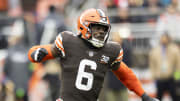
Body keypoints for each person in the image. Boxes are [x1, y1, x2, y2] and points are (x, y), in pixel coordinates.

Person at [28, 8, 159, 101]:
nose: (101, 32)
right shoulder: (69, 41)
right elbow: (45, 50)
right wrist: (35, 53)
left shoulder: (111, 50)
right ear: (84, 27)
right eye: (97, 28)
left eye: (104, 29)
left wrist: (144, 95)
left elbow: (126, 75)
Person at [149, 33, 180, 101]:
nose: (164, 40)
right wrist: (154, 76)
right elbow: (152, 65)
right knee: (158, 97)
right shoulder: (155, 50)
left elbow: (178, 65)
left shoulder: (174, 50)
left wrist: (177, 78)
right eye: (162, 38)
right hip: (160, 78)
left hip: (171, 78)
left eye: (165, 38)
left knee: (176, 97)